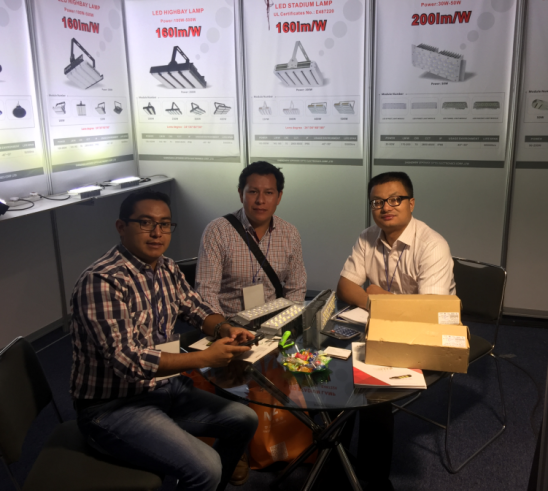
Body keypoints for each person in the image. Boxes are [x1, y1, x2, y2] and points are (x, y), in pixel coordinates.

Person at [69, 190, 259, 491]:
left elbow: (195, 308)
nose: (157, 232)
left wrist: (225, 328)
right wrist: (204, 358)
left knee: (245, 419)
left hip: (162, 387)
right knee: (206, 467)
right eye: (146, 223)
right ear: (121, 227)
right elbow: (126, 361)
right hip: (112, 407)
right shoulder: (102, 281)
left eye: (165, 224)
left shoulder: (167, 267)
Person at [335, 171, 455, 491]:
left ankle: (374, 478)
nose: (386, 207)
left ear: (411, 203)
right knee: (335, 365)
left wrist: (379, 296)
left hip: (428, 331)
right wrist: (376, 301)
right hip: (382, 324)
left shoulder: (432, 245)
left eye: (395, 199)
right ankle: (334, 458)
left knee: (373, 386)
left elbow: (426, 313)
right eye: (377, 202)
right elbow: (345, 286)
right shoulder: (367, 237)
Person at [196, 161, 307, 317]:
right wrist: (224, 327)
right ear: (241, 194)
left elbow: (296, 288)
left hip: (274, 321)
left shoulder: (290, 233)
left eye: (269, 193)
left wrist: (287, 320)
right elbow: (206, 293)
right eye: (253, 192)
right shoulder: (218, 231)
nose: (260, 200)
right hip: (229, 321)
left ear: (279, 197)